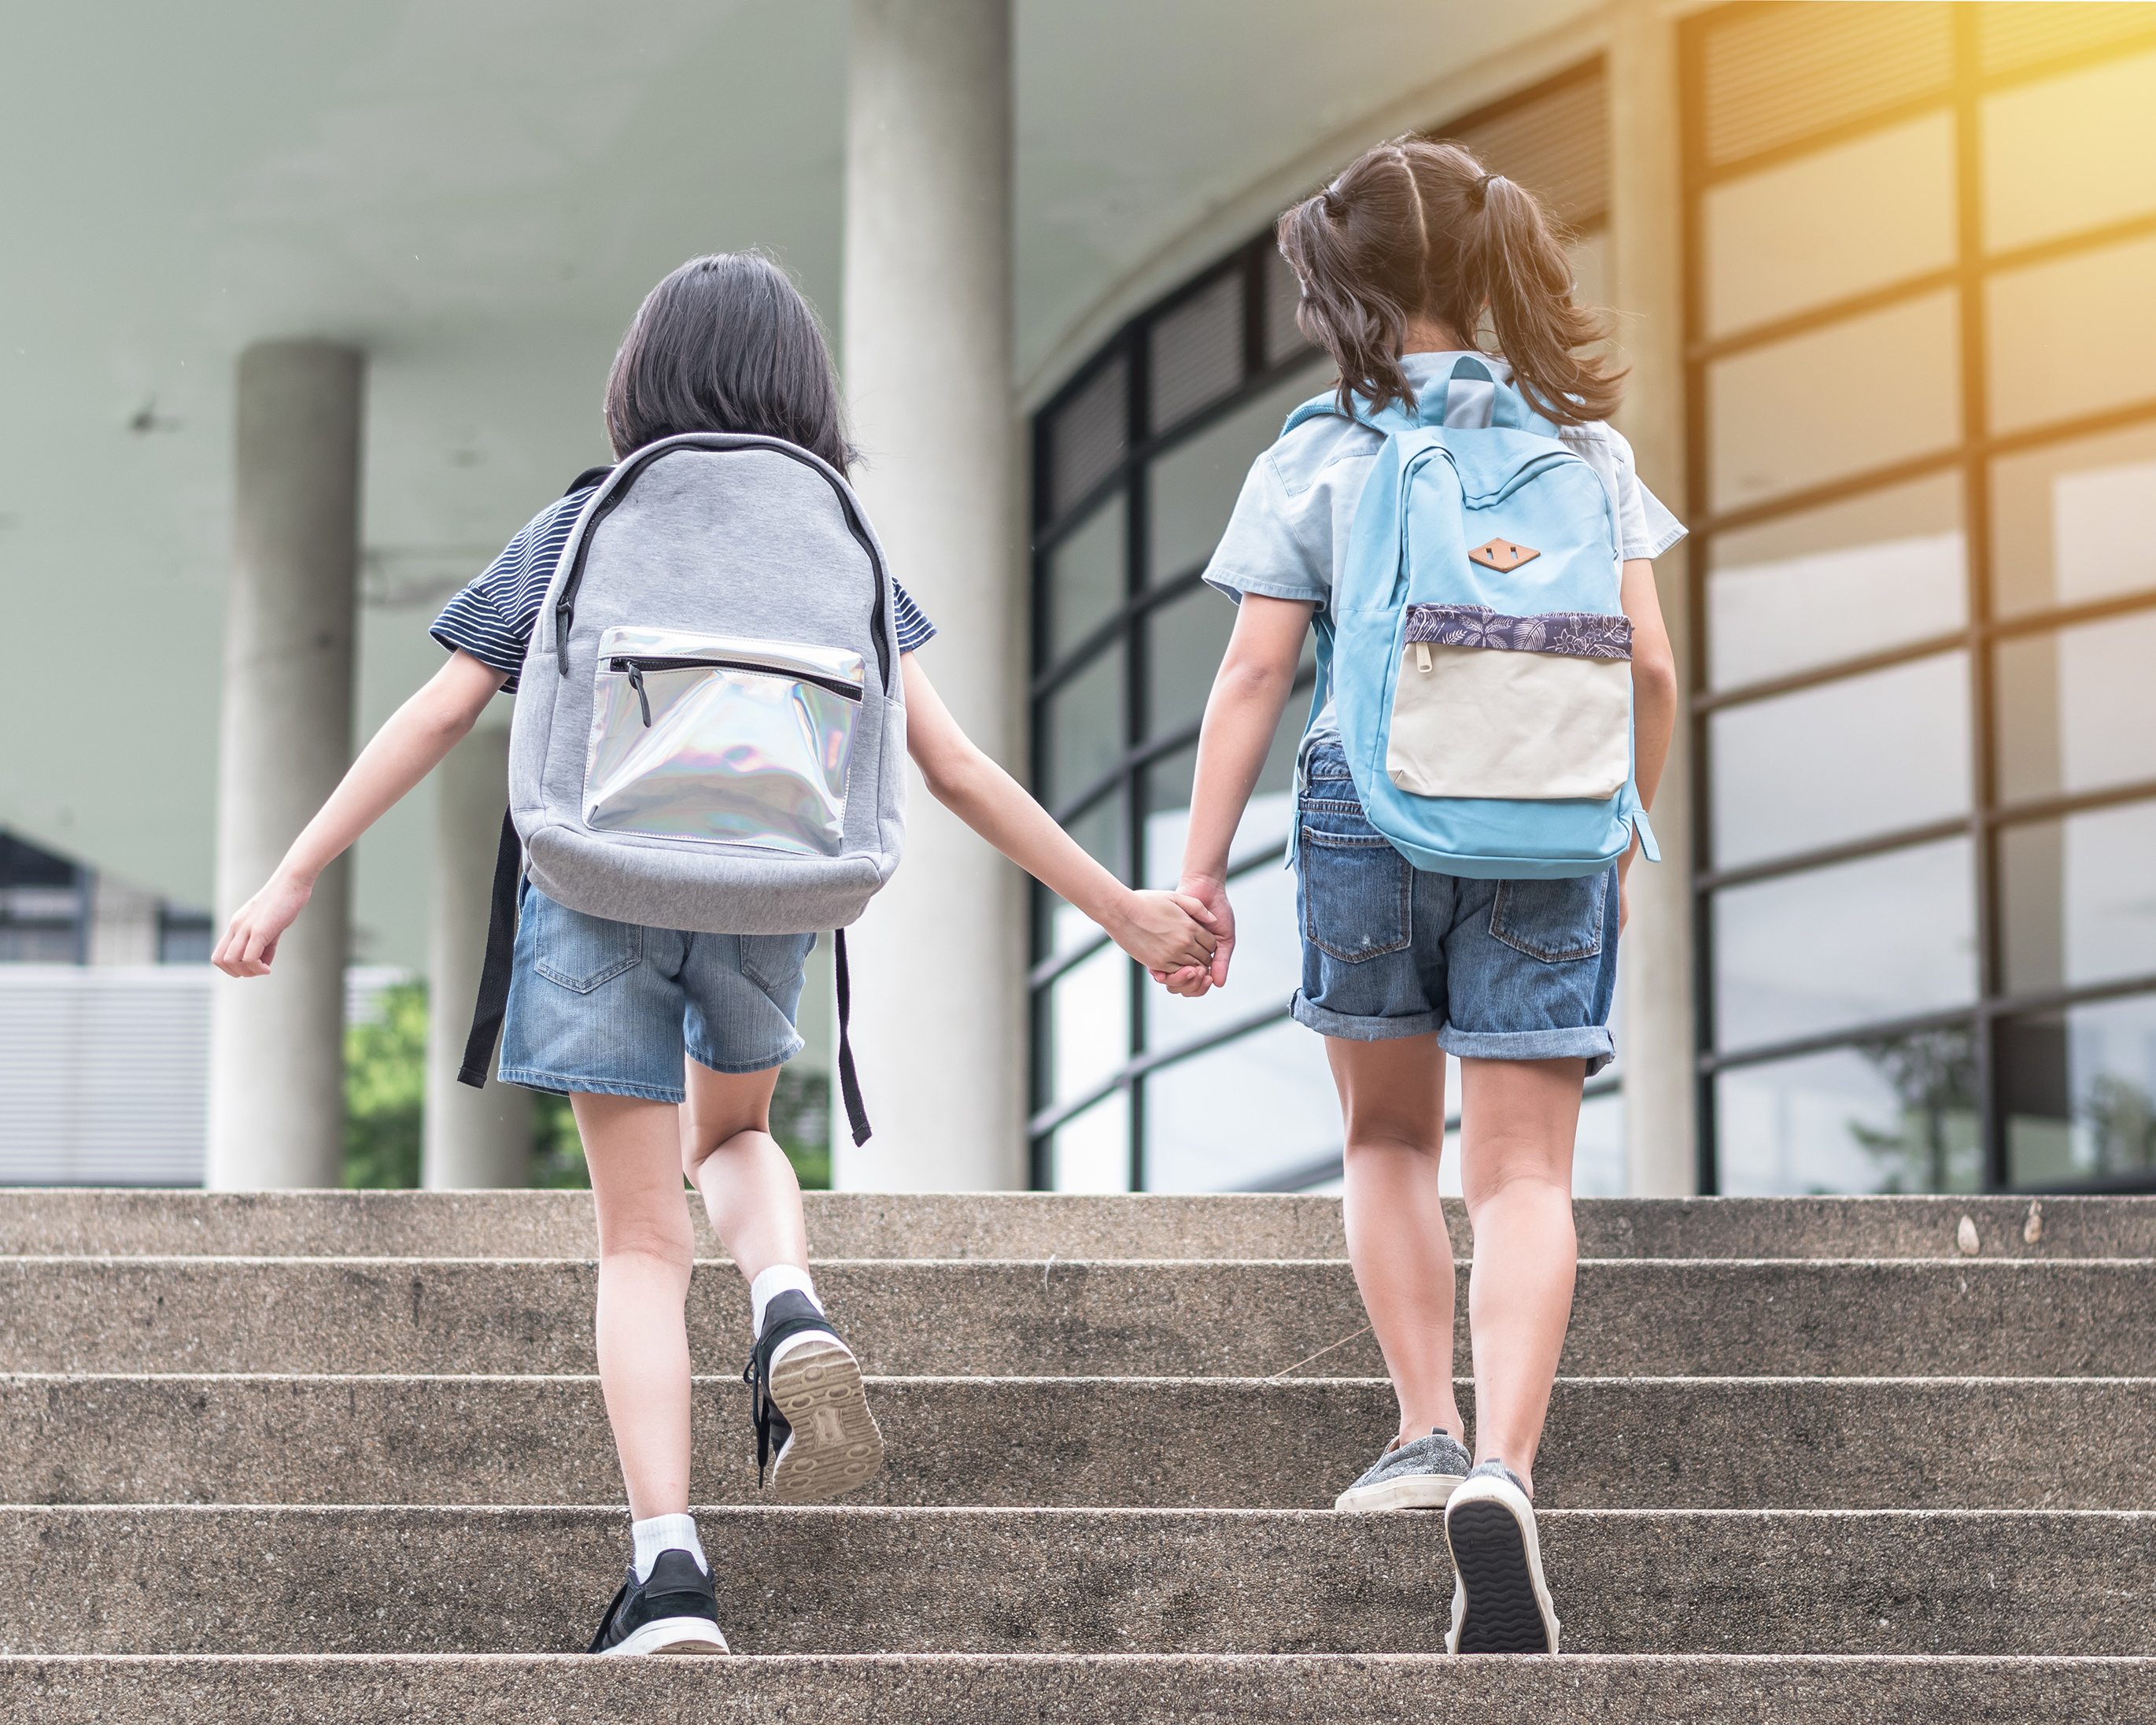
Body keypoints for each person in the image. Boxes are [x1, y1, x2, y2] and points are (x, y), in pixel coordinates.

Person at [212, 252, 1217, 1657]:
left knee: (637, 1235)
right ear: (804, 389)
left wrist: (290, 873)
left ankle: (671, 1574)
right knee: (734, 1137)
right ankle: (787, 1297)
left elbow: (440, 716)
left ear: (643, 382)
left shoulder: (582, 519)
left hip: (598, 881)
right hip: (770, 889)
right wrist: (1122, 908)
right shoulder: (842, 540)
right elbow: (955, 763)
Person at [1155, 139, 1682, 1653]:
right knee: (1525, 1176)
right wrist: (1620, 835)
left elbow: (1257, 670)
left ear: (1354, 297)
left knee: (1387, 1135)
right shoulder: (1591, 454)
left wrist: (1195, 875)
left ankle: (1425, 1433)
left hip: (1368, 814)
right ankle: (1508, 1474)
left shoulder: (1319, 450)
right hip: (1553, 828)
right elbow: (1647, 668)